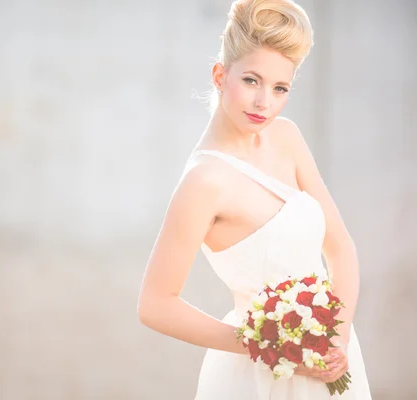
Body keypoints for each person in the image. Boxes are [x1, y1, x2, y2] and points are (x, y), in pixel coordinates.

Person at [137, 0, 372, 398]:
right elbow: (155, 304)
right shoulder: (204, 181)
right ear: (219, 75)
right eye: (251, 80)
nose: (265, 102)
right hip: (255, 374)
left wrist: (339, 339)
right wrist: (265, 345)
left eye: (280, 88)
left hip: (330, 362)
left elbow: (340, 248)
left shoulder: (286, 138)